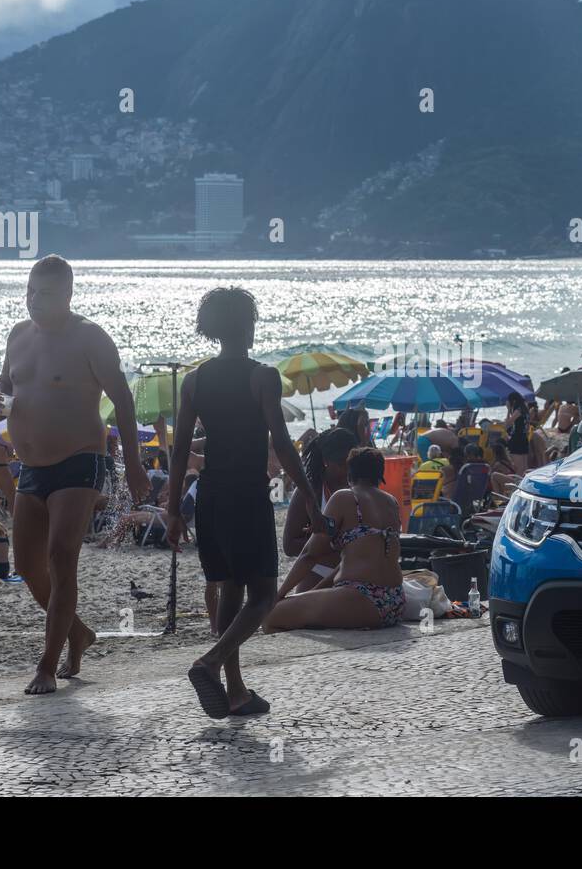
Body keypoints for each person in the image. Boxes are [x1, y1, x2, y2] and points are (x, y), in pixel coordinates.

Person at [0, 254, 149, 696]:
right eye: (29, 292)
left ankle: (47, 664)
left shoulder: (90, 338)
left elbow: (123, 399)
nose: (34, 302)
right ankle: (78, 633)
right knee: (26, 565)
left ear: (68, 295)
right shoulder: (18, 336)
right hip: (31, 466)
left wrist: (134, 464)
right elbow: (4, 383)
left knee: (61, 556)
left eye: (45, 294)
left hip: (81, 459)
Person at [165, 287, 322, 719]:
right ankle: (210, 662)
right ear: (247, 325)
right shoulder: (261, 376)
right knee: (264, 595)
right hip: (247, 495)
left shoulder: (195, 380)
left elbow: (179, 450)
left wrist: (175, 509)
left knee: (230, 589)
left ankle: (236, 691)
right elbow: (283, 445)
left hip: (210, 496)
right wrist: (309, 496)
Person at [267, 448, 404, 632]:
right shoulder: (391, 502)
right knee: (302, 605)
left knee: (271, 615)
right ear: (380, 476)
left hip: (364, 599)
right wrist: (315, 591)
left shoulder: (345, 497)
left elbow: (309, 554)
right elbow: (351, 562)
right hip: (396, 600)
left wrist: (279, 595)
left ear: (350, 474)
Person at [280, 427, 357, 594]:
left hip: (356, 572)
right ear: (326, 461)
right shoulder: (309, 491)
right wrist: (333, 543)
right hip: (319, 570)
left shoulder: (361, 484)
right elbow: (289, 545)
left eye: (351, 464)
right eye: (342, 464)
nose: (348, 470)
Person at [505, 392, 530, 475]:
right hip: (524, 439)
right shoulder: (525, 410)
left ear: (514, 401)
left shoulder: (518, 410)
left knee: (518, 467)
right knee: (524, 467)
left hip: (517, 440)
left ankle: (519, 486)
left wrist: (508, 409)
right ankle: (524, 485)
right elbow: (526, 426)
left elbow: (507, 424)